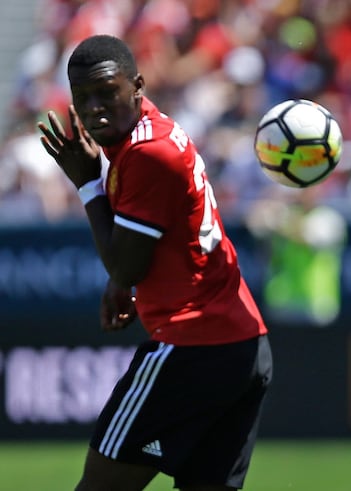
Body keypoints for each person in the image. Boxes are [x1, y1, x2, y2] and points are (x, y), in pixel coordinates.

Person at [37, 34, 272, 491]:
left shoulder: (148, 153)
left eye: (107, 93)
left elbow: (126, 267)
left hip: (193, 348)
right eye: (82, 98)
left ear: (137, 85)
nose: (95, 109)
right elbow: (149, 245)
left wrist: (87, 184)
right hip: (241, 346)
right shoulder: (149, 134)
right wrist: (122, 285)